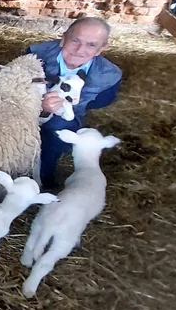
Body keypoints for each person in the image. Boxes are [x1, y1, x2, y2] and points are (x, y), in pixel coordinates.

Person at [24, 17, 122, 189]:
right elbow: (16, 87)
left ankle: (43, 175)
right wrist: (39, 103)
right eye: (75, 40)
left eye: (91, 45)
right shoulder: (35, 55)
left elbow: (101, 101)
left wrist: (65, 107)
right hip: (25, 109)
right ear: (63, 39)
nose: (79, 50)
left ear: (100, 49)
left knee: (59, 126)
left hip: (66, 115)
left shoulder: (109, 75)